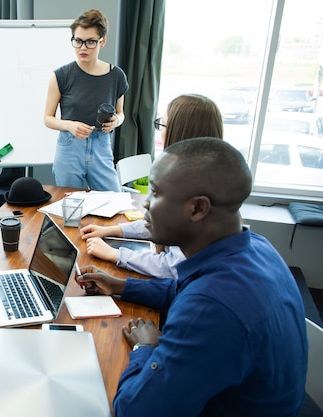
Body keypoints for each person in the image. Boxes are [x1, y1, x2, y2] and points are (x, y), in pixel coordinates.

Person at [77, 137, 307, 416]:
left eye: (156, 194)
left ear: (198, 208)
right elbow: (184, 290)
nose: (146, 205)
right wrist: (120, 285)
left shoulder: (211, 308)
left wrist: (144, 347)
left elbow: (133, 410)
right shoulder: (258, 246)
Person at [80, 94, 224, 278]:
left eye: (163, 125)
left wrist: (115, 254)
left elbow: (173, 267)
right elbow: (163, 224)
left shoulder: (191, 187)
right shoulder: (212, 173)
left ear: (178, 132)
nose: (147, 204)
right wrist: (112, 230)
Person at [44, 8, 128, 191]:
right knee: (71, 206)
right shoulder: (61, 75)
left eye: (90, 41)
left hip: (101, 145)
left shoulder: (116, 76)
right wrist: (70, 125)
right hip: (69, 146)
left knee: (112, 201)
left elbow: (121, 113)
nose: (82, 47)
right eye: (78, 41)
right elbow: (48, 119)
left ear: (102, 41)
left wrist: (116, 121)